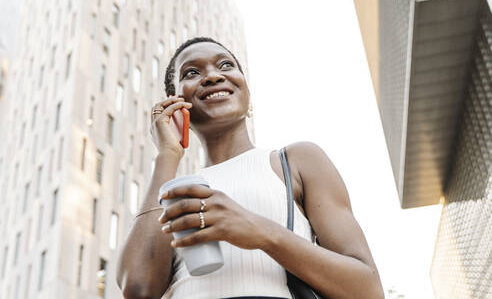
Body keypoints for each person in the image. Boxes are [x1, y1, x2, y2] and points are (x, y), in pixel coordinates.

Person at [116, 37, 384, 299]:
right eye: (192, 72)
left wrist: (261, 231)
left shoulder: (296, 161)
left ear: (246, 90)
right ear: (175, 104)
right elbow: (138, 290)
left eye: (225, 66)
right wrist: (167, 155)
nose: (212, 76)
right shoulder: (176, 190)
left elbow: (367, 290)